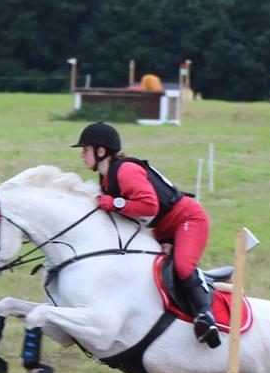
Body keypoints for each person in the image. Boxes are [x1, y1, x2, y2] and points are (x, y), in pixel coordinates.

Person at [72, 121, 220, 348]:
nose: (82, 155)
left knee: (182, 267)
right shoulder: (105, 177)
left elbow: (148, 206)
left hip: (187, 219)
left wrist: (112, 202)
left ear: (101, 151)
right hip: (159, 229)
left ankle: (205, 316)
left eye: (85, 150)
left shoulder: (125, 170)